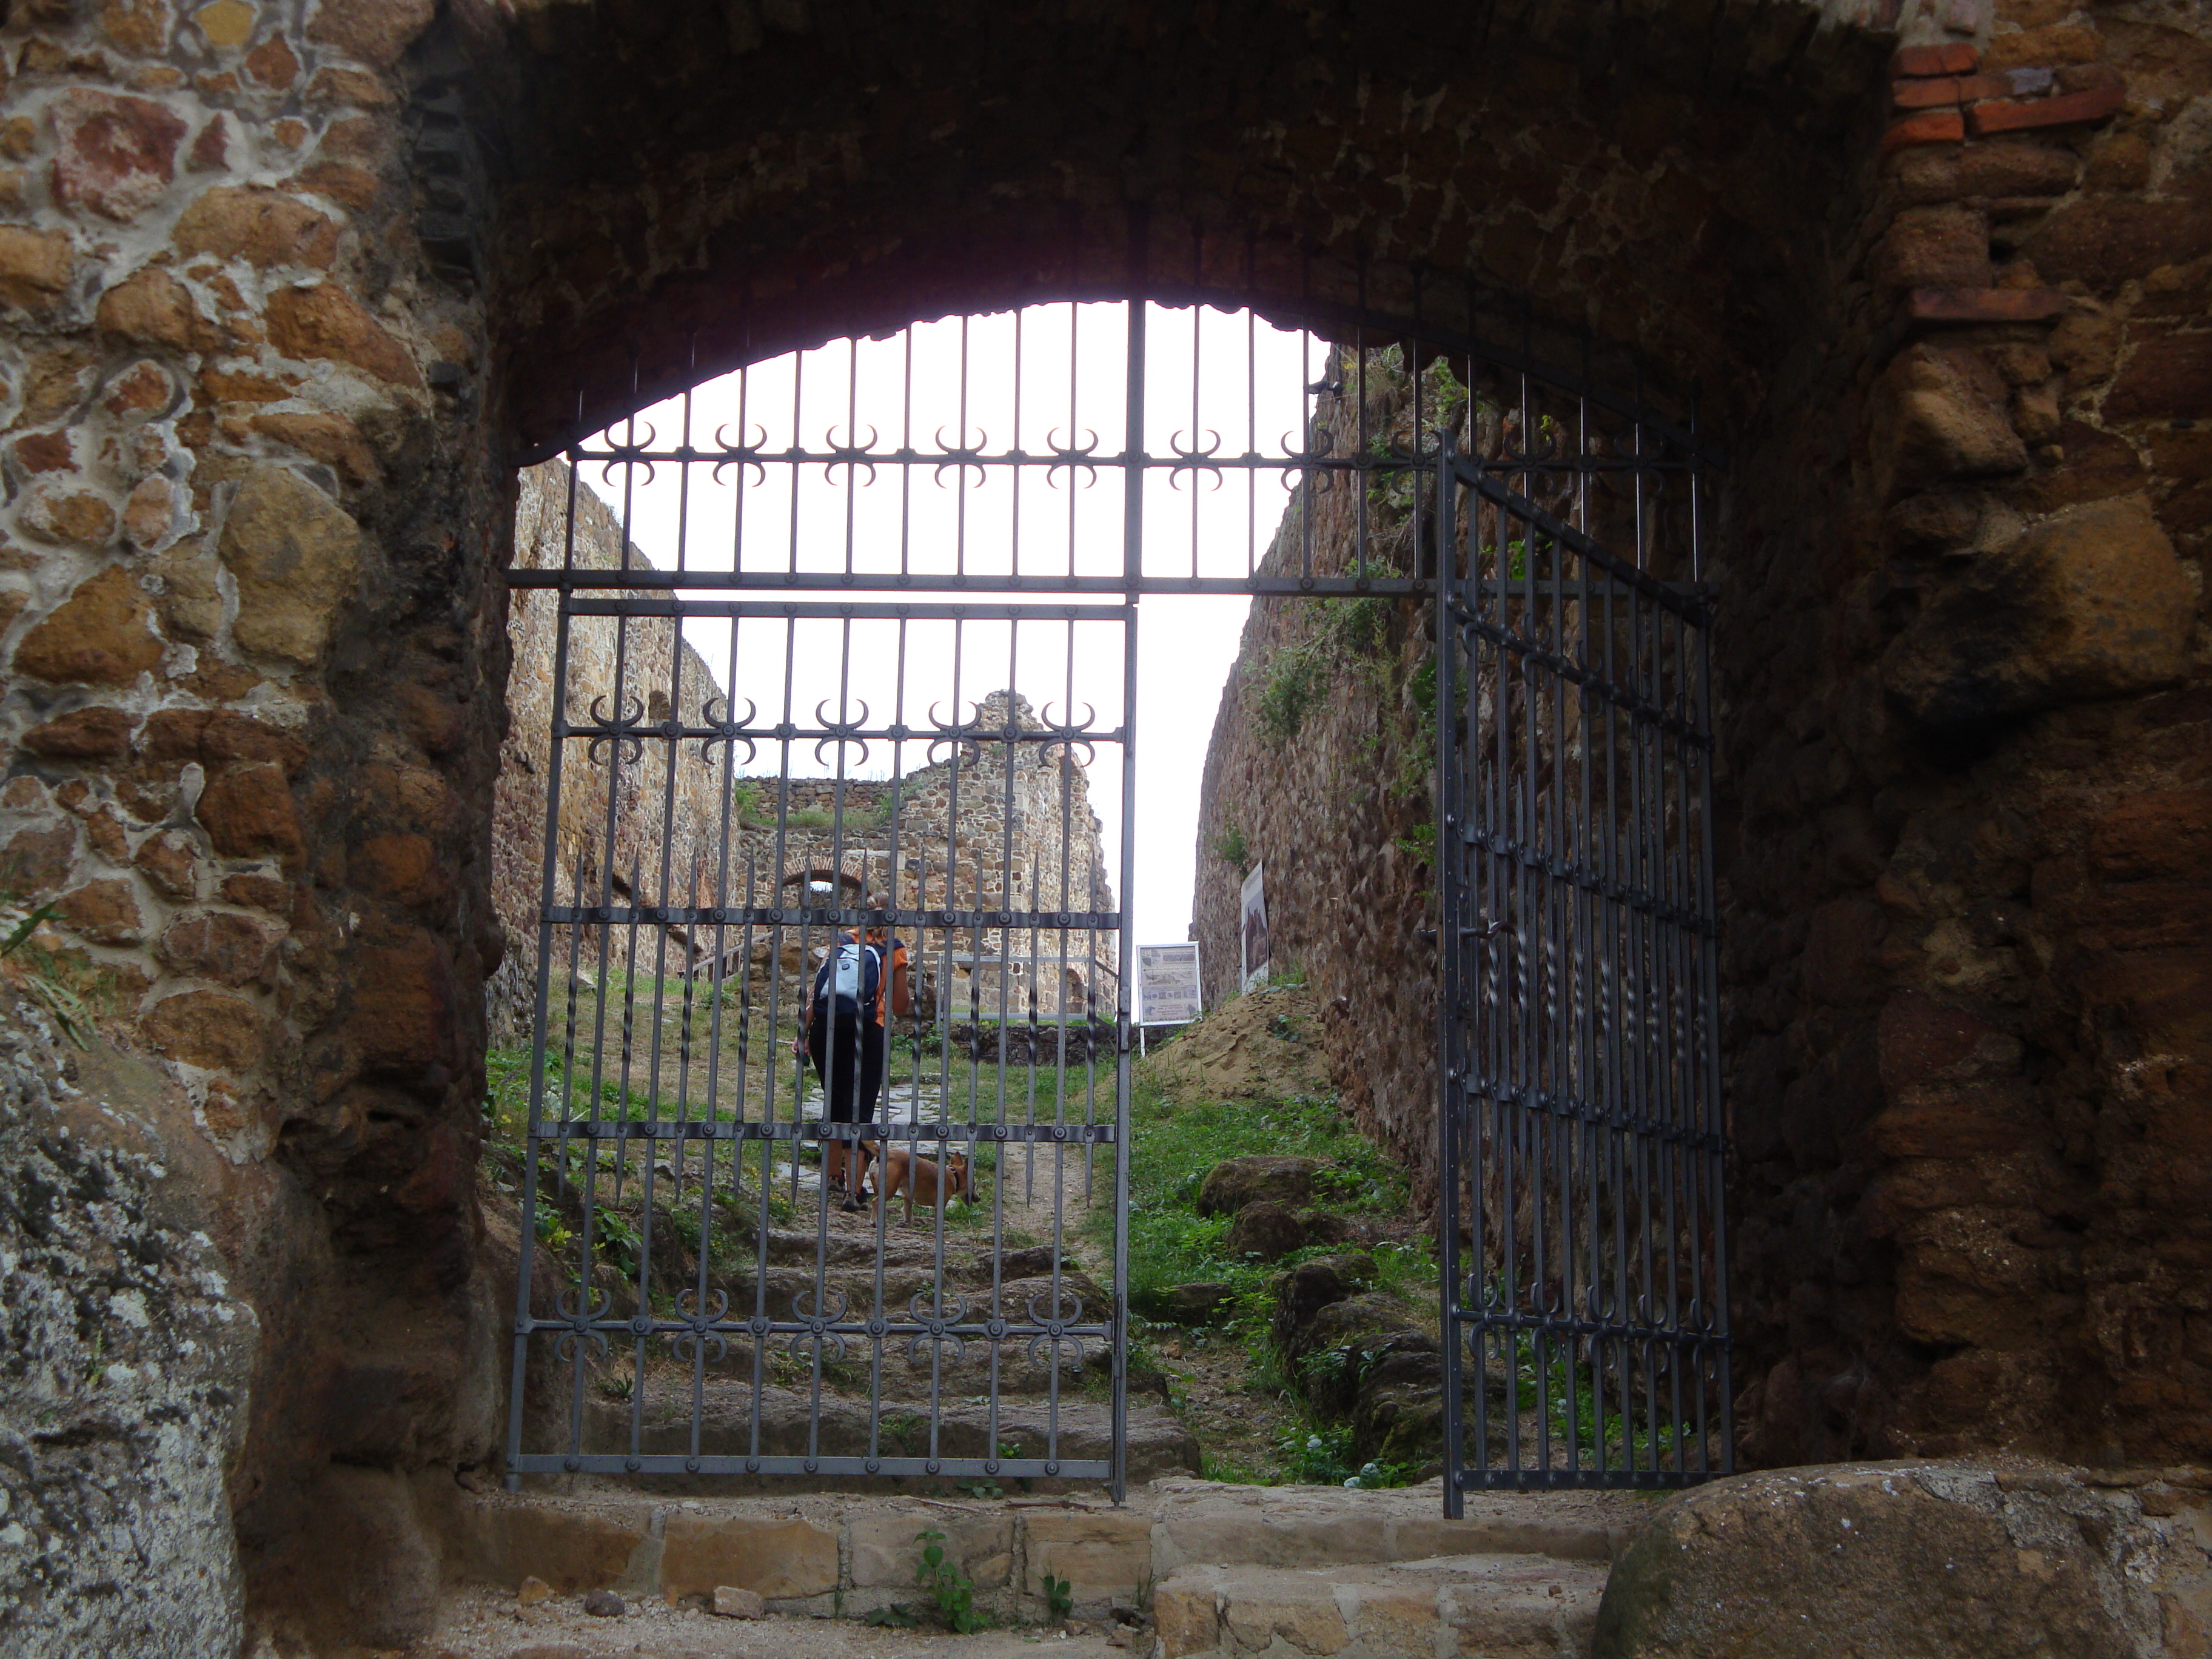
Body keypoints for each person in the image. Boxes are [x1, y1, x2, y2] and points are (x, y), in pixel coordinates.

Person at [796, 894, 911, 1211]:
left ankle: (832, 1175)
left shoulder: (843, 941)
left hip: (827, 1028)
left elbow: (819, 991)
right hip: (868, 1029)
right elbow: (900, 1006)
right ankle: (854, 1190)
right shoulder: (894, 949)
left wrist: (802, 1033)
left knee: (835, 1101)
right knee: (859, 1110)